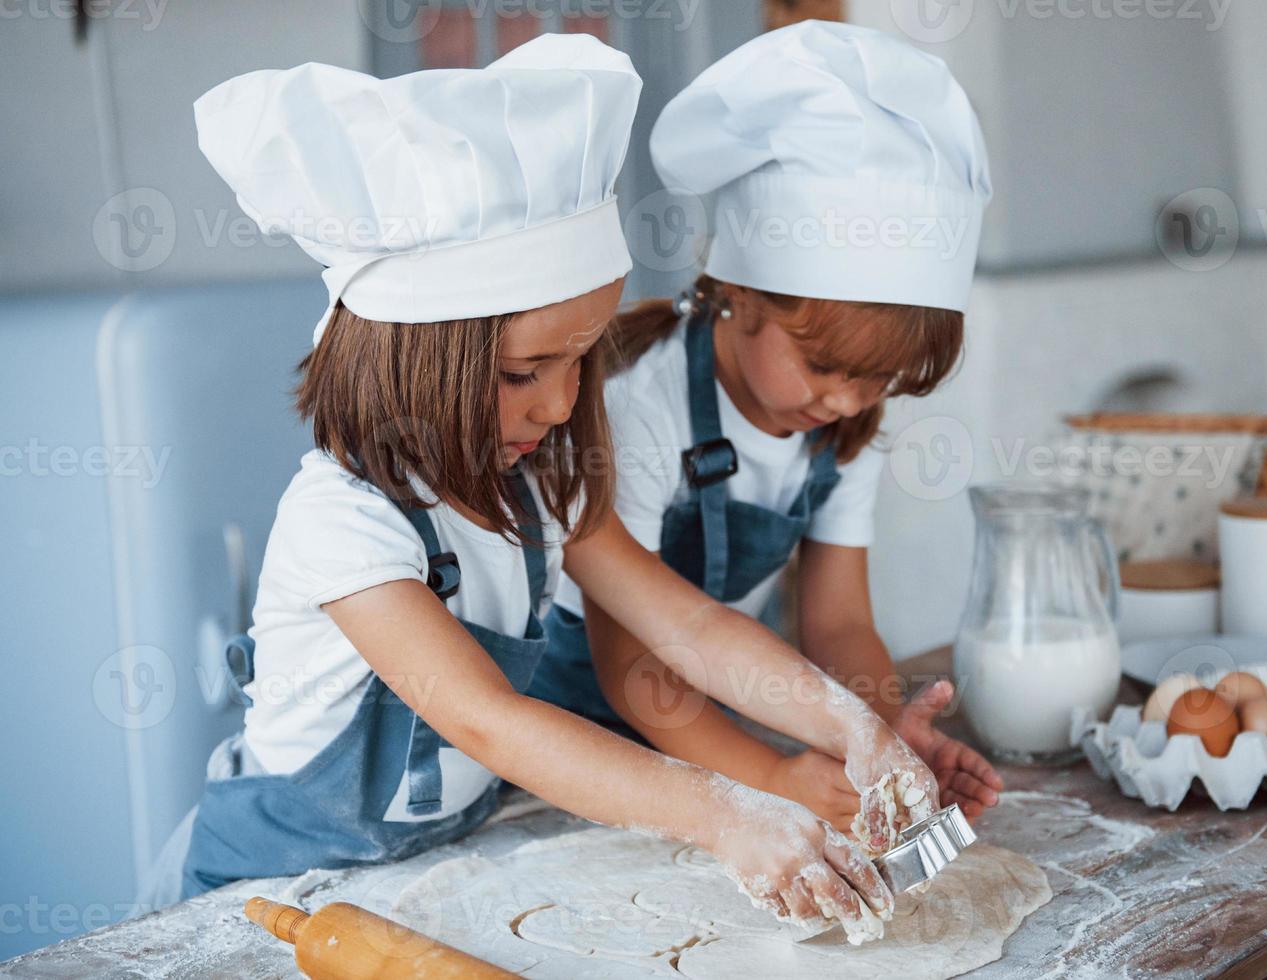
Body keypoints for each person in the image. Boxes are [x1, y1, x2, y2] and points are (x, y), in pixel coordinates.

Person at [139, 35, 935, 944]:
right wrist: (726, 813)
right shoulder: (343, 523)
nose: (561, 403)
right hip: (261, 901)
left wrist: (850, 727)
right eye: (526, 371)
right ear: (413, 358)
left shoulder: (543, 482)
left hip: (423, 883)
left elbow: (692, 630)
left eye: (581, 360)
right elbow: (492, 723)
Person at [530, 21, 1003, 833]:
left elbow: (839, 622)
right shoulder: (640, 409)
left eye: (879, 379)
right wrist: (774, 776)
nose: (852, 402)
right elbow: (632, 663)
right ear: (739, 294)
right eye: (828, 368)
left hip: (708, 729)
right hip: (572, 741)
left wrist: (884, 737)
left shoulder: (837, 425)